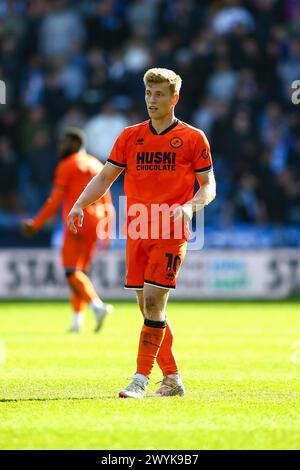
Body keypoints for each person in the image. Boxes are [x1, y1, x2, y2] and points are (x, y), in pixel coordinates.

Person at [67, 68, 216, 398]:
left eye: (159, 94)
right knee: (150, 310)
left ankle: (140, 379)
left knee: (152, 301)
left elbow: (209, 187)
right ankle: (173, 378)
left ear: (174, 98)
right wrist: (79, 204)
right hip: (137, 230)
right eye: (149, 93)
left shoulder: (193, 138)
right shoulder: (129, 136)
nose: (152, 100)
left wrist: (190, 207)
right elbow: (105, 177)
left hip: (171, 231)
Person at [22, 128, 114, 333]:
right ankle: (76, 321)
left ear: (74, 144)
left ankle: (97, 306)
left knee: (71, 271)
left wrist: (35, 224)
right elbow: (108, 203)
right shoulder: (96, 164)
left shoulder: (67, 164)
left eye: (63, 143)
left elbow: (55, 201)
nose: (59, 147)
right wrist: (107, 231)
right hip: (96, 223)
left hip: (76, 221)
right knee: (80, 274)